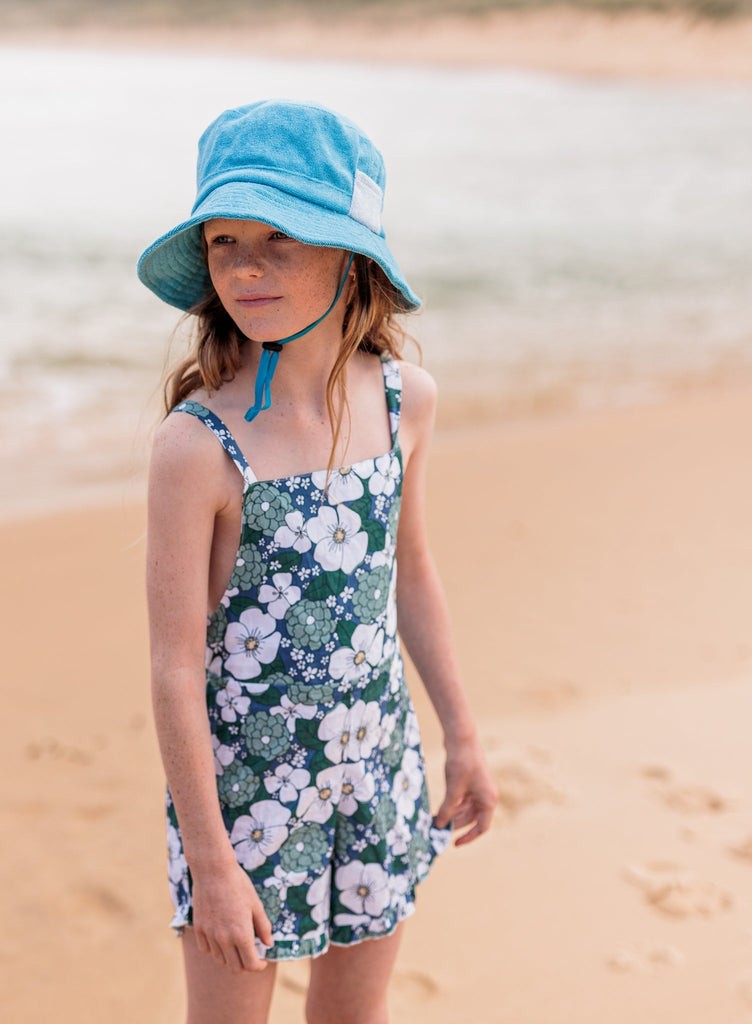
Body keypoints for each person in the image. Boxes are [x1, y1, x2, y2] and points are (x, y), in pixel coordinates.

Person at [138, 99, 497, 1024]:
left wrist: (461, 733)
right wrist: (211, 861)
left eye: (280, 239)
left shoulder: (406, 401)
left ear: (350, 256)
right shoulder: (197, 446)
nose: (245, 267)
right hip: (244, 802)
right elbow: (175, 666)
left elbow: (411, 574)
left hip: (376, 766)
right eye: (224, 242)